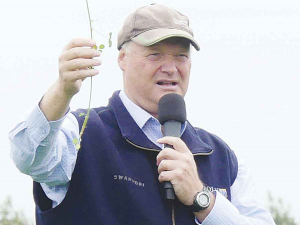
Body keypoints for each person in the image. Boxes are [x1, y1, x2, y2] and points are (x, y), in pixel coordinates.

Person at [9, 3, 275, 225]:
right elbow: (27, 156)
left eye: (181, 56)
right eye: (155, 54)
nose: (170, 68)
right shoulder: (83, 132)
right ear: (122, 59)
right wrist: (61, 91)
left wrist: (202, 200)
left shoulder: (219, 155)